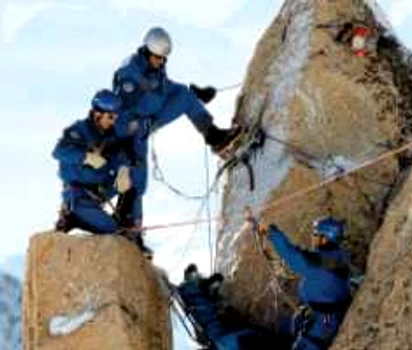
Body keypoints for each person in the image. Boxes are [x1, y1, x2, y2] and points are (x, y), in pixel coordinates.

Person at [111, 26, 242, 238]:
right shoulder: (129, 74)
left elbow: (167, 88)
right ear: (147, 51)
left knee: (185, 96)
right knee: (136, 181)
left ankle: (215, 137)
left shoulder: (155, 67)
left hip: (149, 118)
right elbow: (120, 112)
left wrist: (196, 94)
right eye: (158, 58)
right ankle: (130, 229)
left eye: (164, 59)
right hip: (132, 132)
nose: (161, 62)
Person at [53, 89, 149, 253]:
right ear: (98, 114)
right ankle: (72, 218)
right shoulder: (78, 131)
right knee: (112, 230)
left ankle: (128, 223)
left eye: (116, 117)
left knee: (135, 177)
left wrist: (123, 170)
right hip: (78, 195)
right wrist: (85, 157)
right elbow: (59, 152)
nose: (113, 121)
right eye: (110, 117)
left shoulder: (110, 137)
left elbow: (120, 157)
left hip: (101, 189)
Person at [249, 216, 353, 350]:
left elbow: (294, 256)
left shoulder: (325, 260)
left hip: (325, 321)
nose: (313, 237)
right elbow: (302, 256)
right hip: (317, 315)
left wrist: (271, 233)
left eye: (316, 234)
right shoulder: (332, 256)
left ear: (325, 238)